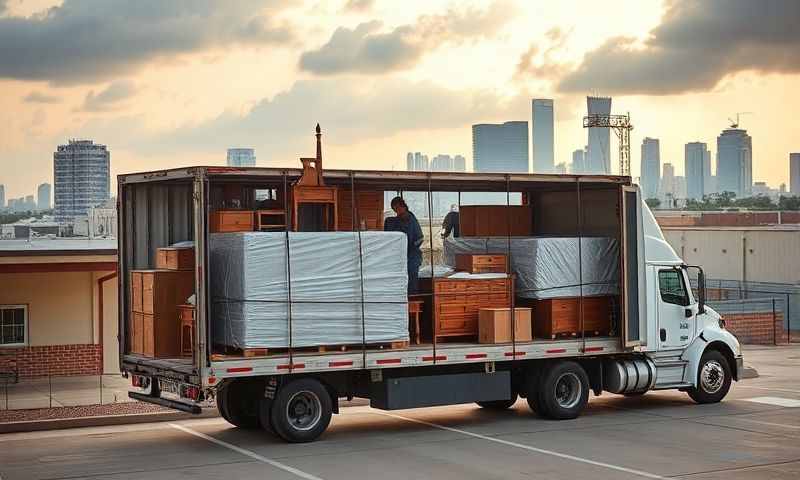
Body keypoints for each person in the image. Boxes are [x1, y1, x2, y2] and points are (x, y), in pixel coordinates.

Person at [384, 196, 423, 294]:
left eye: (397, 208)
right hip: (398, 255)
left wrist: (410, 247)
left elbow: (420, 238)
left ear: (403, 206)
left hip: (412, 256)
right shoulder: (393, 221)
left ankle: (412, 302)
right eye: (394, 209)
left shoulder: (412, 220)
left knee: (412, 279)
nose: (396, 211)